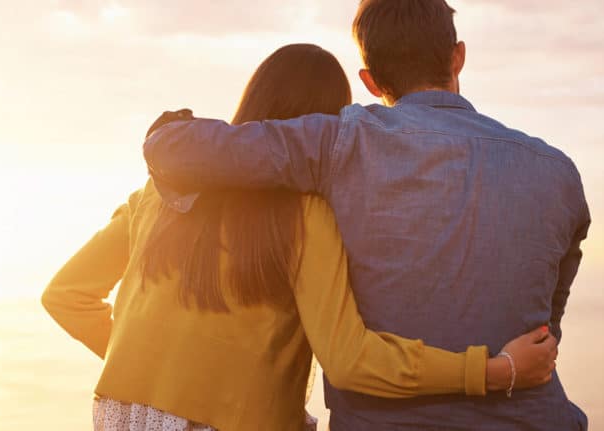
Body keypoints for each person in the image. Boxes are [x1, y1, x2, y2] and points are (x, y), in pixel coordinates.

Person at [43, 44, 556, 431]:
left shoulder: (158, 193)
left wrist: (150, 365)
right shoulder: (306, 214)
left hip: (120, 414)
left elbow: (64, 297)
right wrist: (493, 370)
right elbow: (350, 360)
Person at [142, 1, 591, 430]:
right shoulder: (559, 172)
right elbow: (546, 335)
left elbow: (175, 151)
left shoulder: (340, 143)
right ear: (458, 57)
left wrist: (165, 128)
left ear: (371, 81)